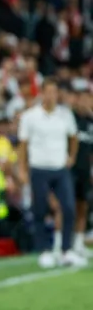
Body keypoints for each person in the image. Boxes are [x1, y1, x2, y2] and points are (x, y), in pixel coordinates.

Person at [18, 79, 85, 268]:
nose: (51, 96)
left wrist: (71, 157)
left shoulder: (65, 115)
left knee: (69, 207)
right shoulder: (30, 117)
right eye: (48, 92)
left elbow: (74, 137)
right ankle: (44, 250)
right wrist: (22, 168)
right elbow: (23, 144)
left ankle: (66, 250)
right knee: (40, 209)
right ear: (42, 93)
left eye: (54, 92)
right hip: (39, 167)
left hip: (60, 168)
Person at [70, 89, 93, 256]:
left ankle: (78, 243)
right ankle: (67, 242)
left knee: (83, 206)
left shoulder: (91, 122)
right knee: (68, 207)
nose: (85, 103)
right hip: (70, 171)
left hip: (85, 171)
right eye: (83, 99)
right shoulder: (70, 120)